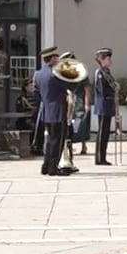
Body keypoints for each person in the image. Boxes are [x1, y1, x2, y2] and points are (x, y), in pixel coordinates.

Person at [33, 49, 80, 177]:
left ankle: (46, 165)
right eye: (56, 57)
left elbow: (36, 94)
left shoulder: (38, 74)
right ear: (52, 58)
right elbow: (71, 86)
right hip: (58, 111)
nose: (58, 59)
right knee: (57, 141)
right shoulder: (56, 73)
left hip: (46, 111)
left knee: (49, 140)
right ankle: (53, 167)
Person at [90, 48, 116, 165]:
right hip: (103, 104)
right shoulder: (100, 73)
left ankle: (103, 156)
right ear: (103, 60)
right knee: (102, 132)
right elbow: (102, 90)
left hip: (108, 104)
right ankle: (100, 158)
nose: (110, 61)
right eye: (108, 59)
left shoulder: (107, 72)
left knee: (105, 132)